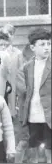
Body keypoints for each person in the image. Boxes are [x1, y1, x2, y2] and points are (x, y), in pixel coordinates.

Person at [16, 28, 51, 163]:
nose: (46, 47)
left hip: (49, 116)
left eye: (48, 44)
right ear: (33, 47)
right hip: (33, 115)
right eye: (42, 45)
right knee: (33, 152)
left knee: (49, 152)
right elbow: (25, 92)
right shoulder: (27, 67)